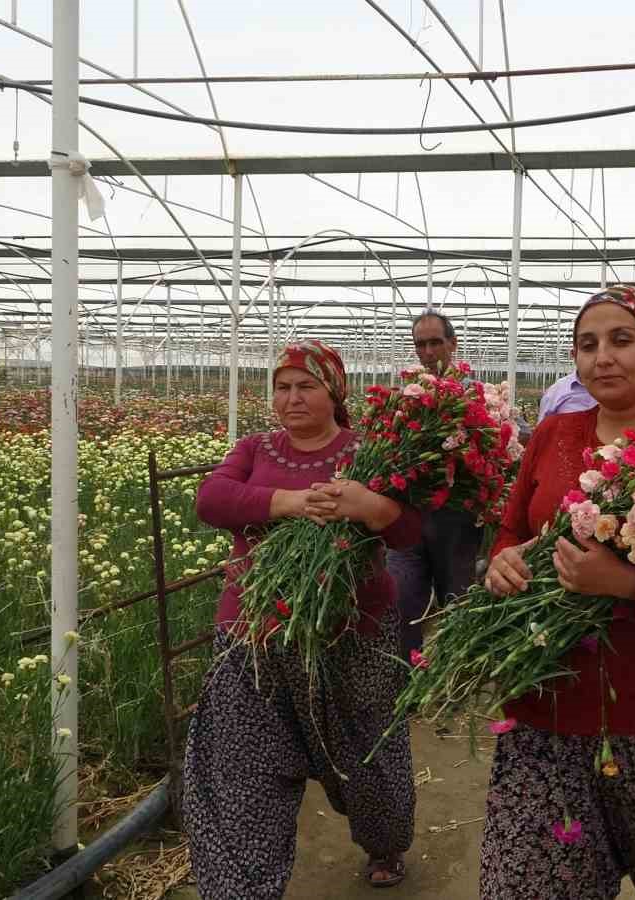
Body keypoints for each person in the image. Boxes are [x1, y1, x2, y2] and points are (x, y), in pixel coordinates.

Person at [478, 286, 635, 900]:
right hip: (548, 705)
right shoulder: (553, 435)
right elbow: (512, 527)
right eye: (587, 344)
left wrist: (627, 585)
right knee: (525, 885)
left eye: (622, 340)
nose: (603, 358)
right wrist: (504, 562)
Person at [183, 340, 418, 896]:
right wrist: (288, 503)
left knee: (367, 754)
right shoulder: (254, 447)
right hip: (255, 631)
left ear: (334, 392)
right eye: (283, 387)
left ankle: (384, 841)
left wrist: (370, 507)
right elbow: (212, 499)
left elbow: (409, 531)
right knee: (242, 761)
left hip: (353, 632)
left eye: (306, 385)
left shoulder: (369, 450)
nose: (292, 397)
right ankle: (243, 886)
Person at [389, 310, 487, 657]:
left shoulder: (475, 398)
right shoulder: (405, 399)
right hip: (408, 516)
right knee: (401, 596)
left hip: (456, 519)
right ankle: (404, 676)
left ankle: (451, 677)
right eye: (421, 345)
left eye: (435, 342)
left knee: (456, 600)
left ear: (452, 344)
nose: (428, 352)